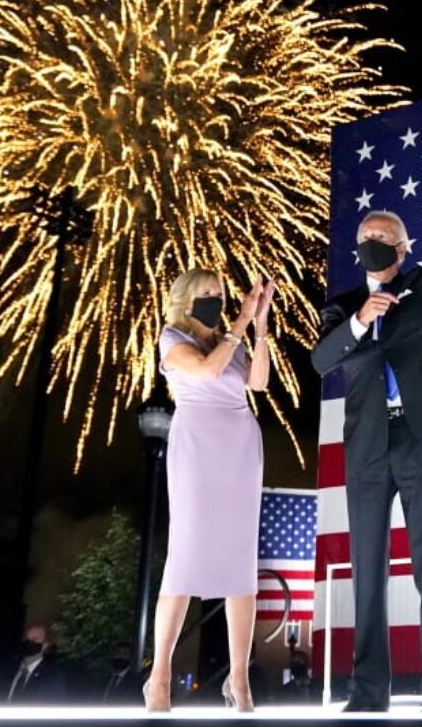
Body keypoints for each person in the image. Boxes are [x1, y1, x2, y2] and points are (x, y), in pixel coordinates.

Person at [310, 204, 422, 712]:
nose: (375, 241)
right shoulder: (342, 305)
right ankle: (368, 691)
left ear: (403, 247)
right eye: (366, 234)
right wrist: (362, 321)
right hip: (367, 446)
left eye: (385, 236)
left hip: (421, 433)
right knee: (368, 567)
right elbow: (322, 360)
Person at [142, 270, 275, 713]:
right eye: (206, 294)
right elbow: (206, 369)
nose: (216, 300)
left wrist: (259, 326)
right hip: (197, 447)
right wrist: (239, 322)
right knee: (185, 555)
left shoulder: (230, 339)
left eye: (219, 294)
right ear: (185, 299)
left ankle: (239, 679)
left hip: (239, 445)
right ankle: (159, 676)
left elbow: (256, 383)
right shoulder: (172, 338)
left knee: (241, 561)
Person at [6, 623, 69, 704]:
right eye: (26, 639)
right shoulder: (10, 669)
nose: (29, 643)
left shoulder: (53, 676)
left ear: (44, 646)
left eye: (34, 640)